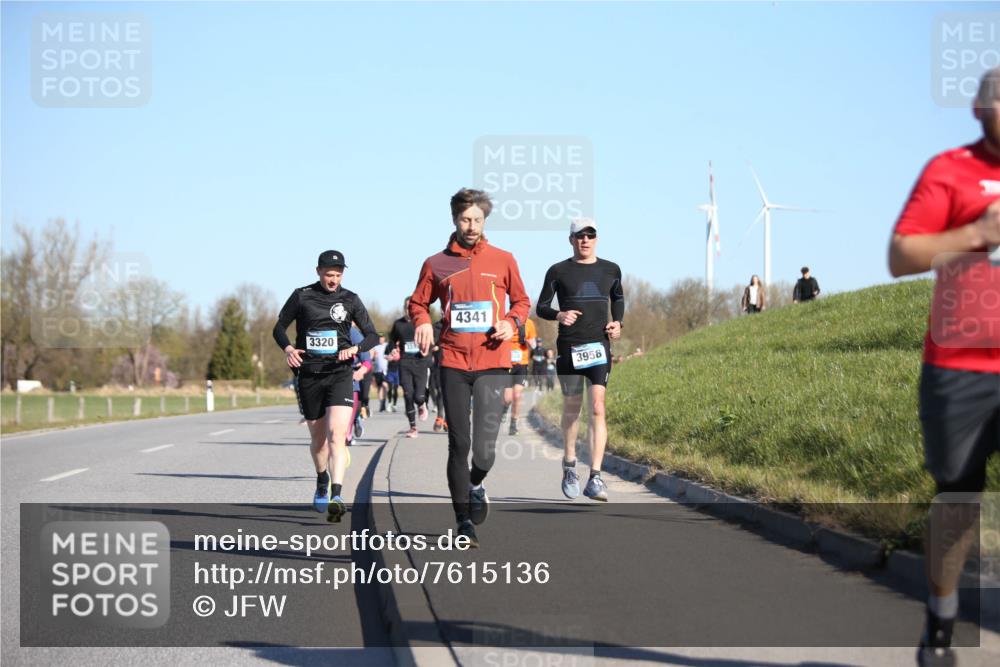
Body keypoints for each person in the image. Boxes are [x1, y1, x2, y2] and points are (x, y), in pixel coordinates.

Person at [888, 67, 1000, 667]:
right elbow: (901, 254)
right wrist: (974, 232)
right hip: (960, 365)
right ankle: (942, 616)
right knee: (958, 500)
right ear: (981, 110)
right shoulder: (949, 170)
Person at [409, 188, 531, 547]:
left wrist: (511, 322)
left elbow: (522, 300)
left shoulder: (503, 259)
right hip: (453, 360)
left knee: (486, 450)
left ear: (485, 220)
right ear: (454, 220)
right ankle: (463, 523)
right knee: (458, 442)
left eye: (477, 219)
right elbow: (418, 302)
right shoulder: (436, 263)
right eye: (465, 219)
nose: (471, 225)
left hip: (493, 360)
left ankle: (476, 482)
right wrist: (422, 320)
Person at [273, 250, 378, 523]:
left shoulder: (350, 299)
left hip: (340, 374)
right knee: (319, 442)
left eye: (338, 275)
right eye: (329, 274)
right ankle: (321, 479)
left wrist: (355, 348)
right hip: (309, 375)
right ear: (318, 271)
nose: (333, 280)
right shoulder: (302, 296)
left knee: (336, 435)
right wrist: (288, 348)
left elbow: (373, 335)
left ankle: (337, 494)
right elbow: (279, 328)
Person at [537, 218, 624, 502]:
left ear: (597, 238)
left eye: (590, 235)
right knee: (573, 407)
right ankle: (570, 465)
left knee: (598, 407)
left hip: (599, 346)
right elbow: (541, 306)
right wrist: (559, 315)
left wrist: (618, 323)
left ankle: (596, 476)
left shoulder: (611, 269)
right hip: (570, 347)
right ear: (571, 239)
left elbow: (617, 298)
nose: (585, 240)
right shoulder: (558, 270)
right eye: (579, 236)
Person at [386, 296, 432, 438]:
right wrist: (392, 349)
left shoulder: (421, 323)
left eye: (410, 306)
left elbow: (430, 341)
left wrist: (427, 352)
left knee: (418, 396)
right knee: (407, 394)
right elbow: (392, 341)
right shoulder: (398, 324)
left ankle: (422, 404)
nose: (408, 309)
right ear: (403, 308)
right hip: (405, 362)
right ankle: (413, 428)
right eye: (406, 307)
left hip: (420, 362)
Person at [502, 317, 537, 435]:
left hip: (521, 363)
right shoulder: (504, 319)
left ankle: (513, 423)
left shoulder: (529, 323)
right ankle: (505, 407)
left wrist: (530, 343)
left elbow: (534, 344)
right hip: (506, 364)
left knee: (517, 395)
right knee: (507, 398)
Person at [370, 334, 390, 412]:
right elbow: (372, 358)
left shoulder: (387, 345)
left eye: (382, 338)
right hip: (377, 370)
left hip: (386, 370)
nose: (381, 339)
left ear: (384, 338)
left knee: (384, 385)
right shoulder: (375, 347)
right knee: (379, 387)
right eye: (380, 338)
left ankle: (384, 402)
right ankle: (382, 404)